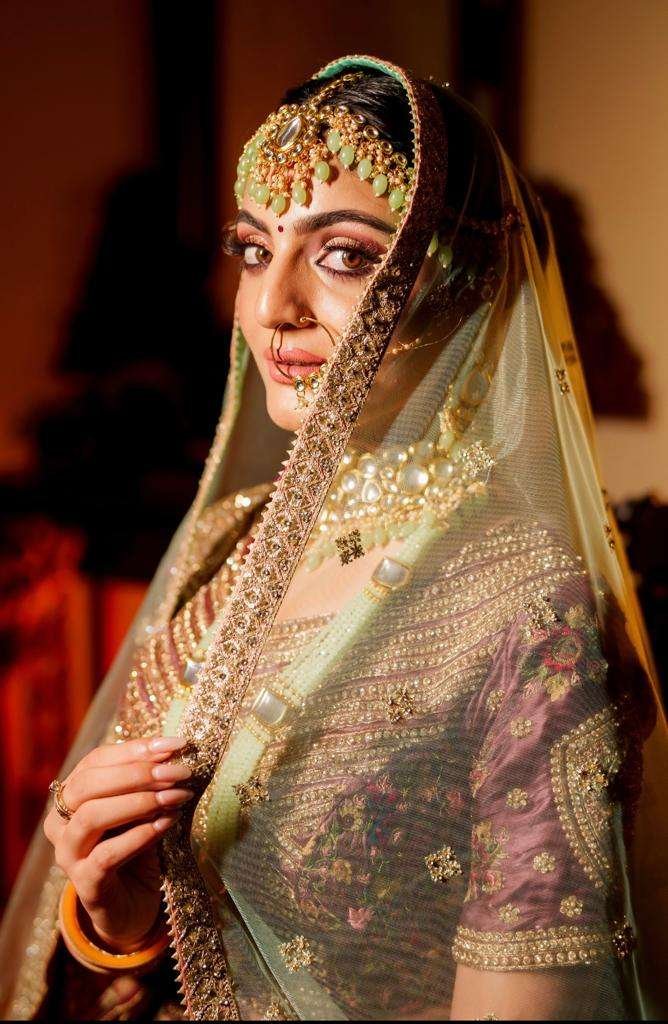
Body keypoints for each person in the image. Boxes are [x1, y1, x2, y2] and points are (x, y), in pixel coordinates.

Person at [1, 53, 666, 1022]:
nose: (272, 308)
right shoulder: (229, 545)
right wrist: (116, 918)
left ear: (466, 283)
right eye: (253, 249)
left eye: (346, 255)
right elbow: (166, 952)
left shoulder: (530, 617)